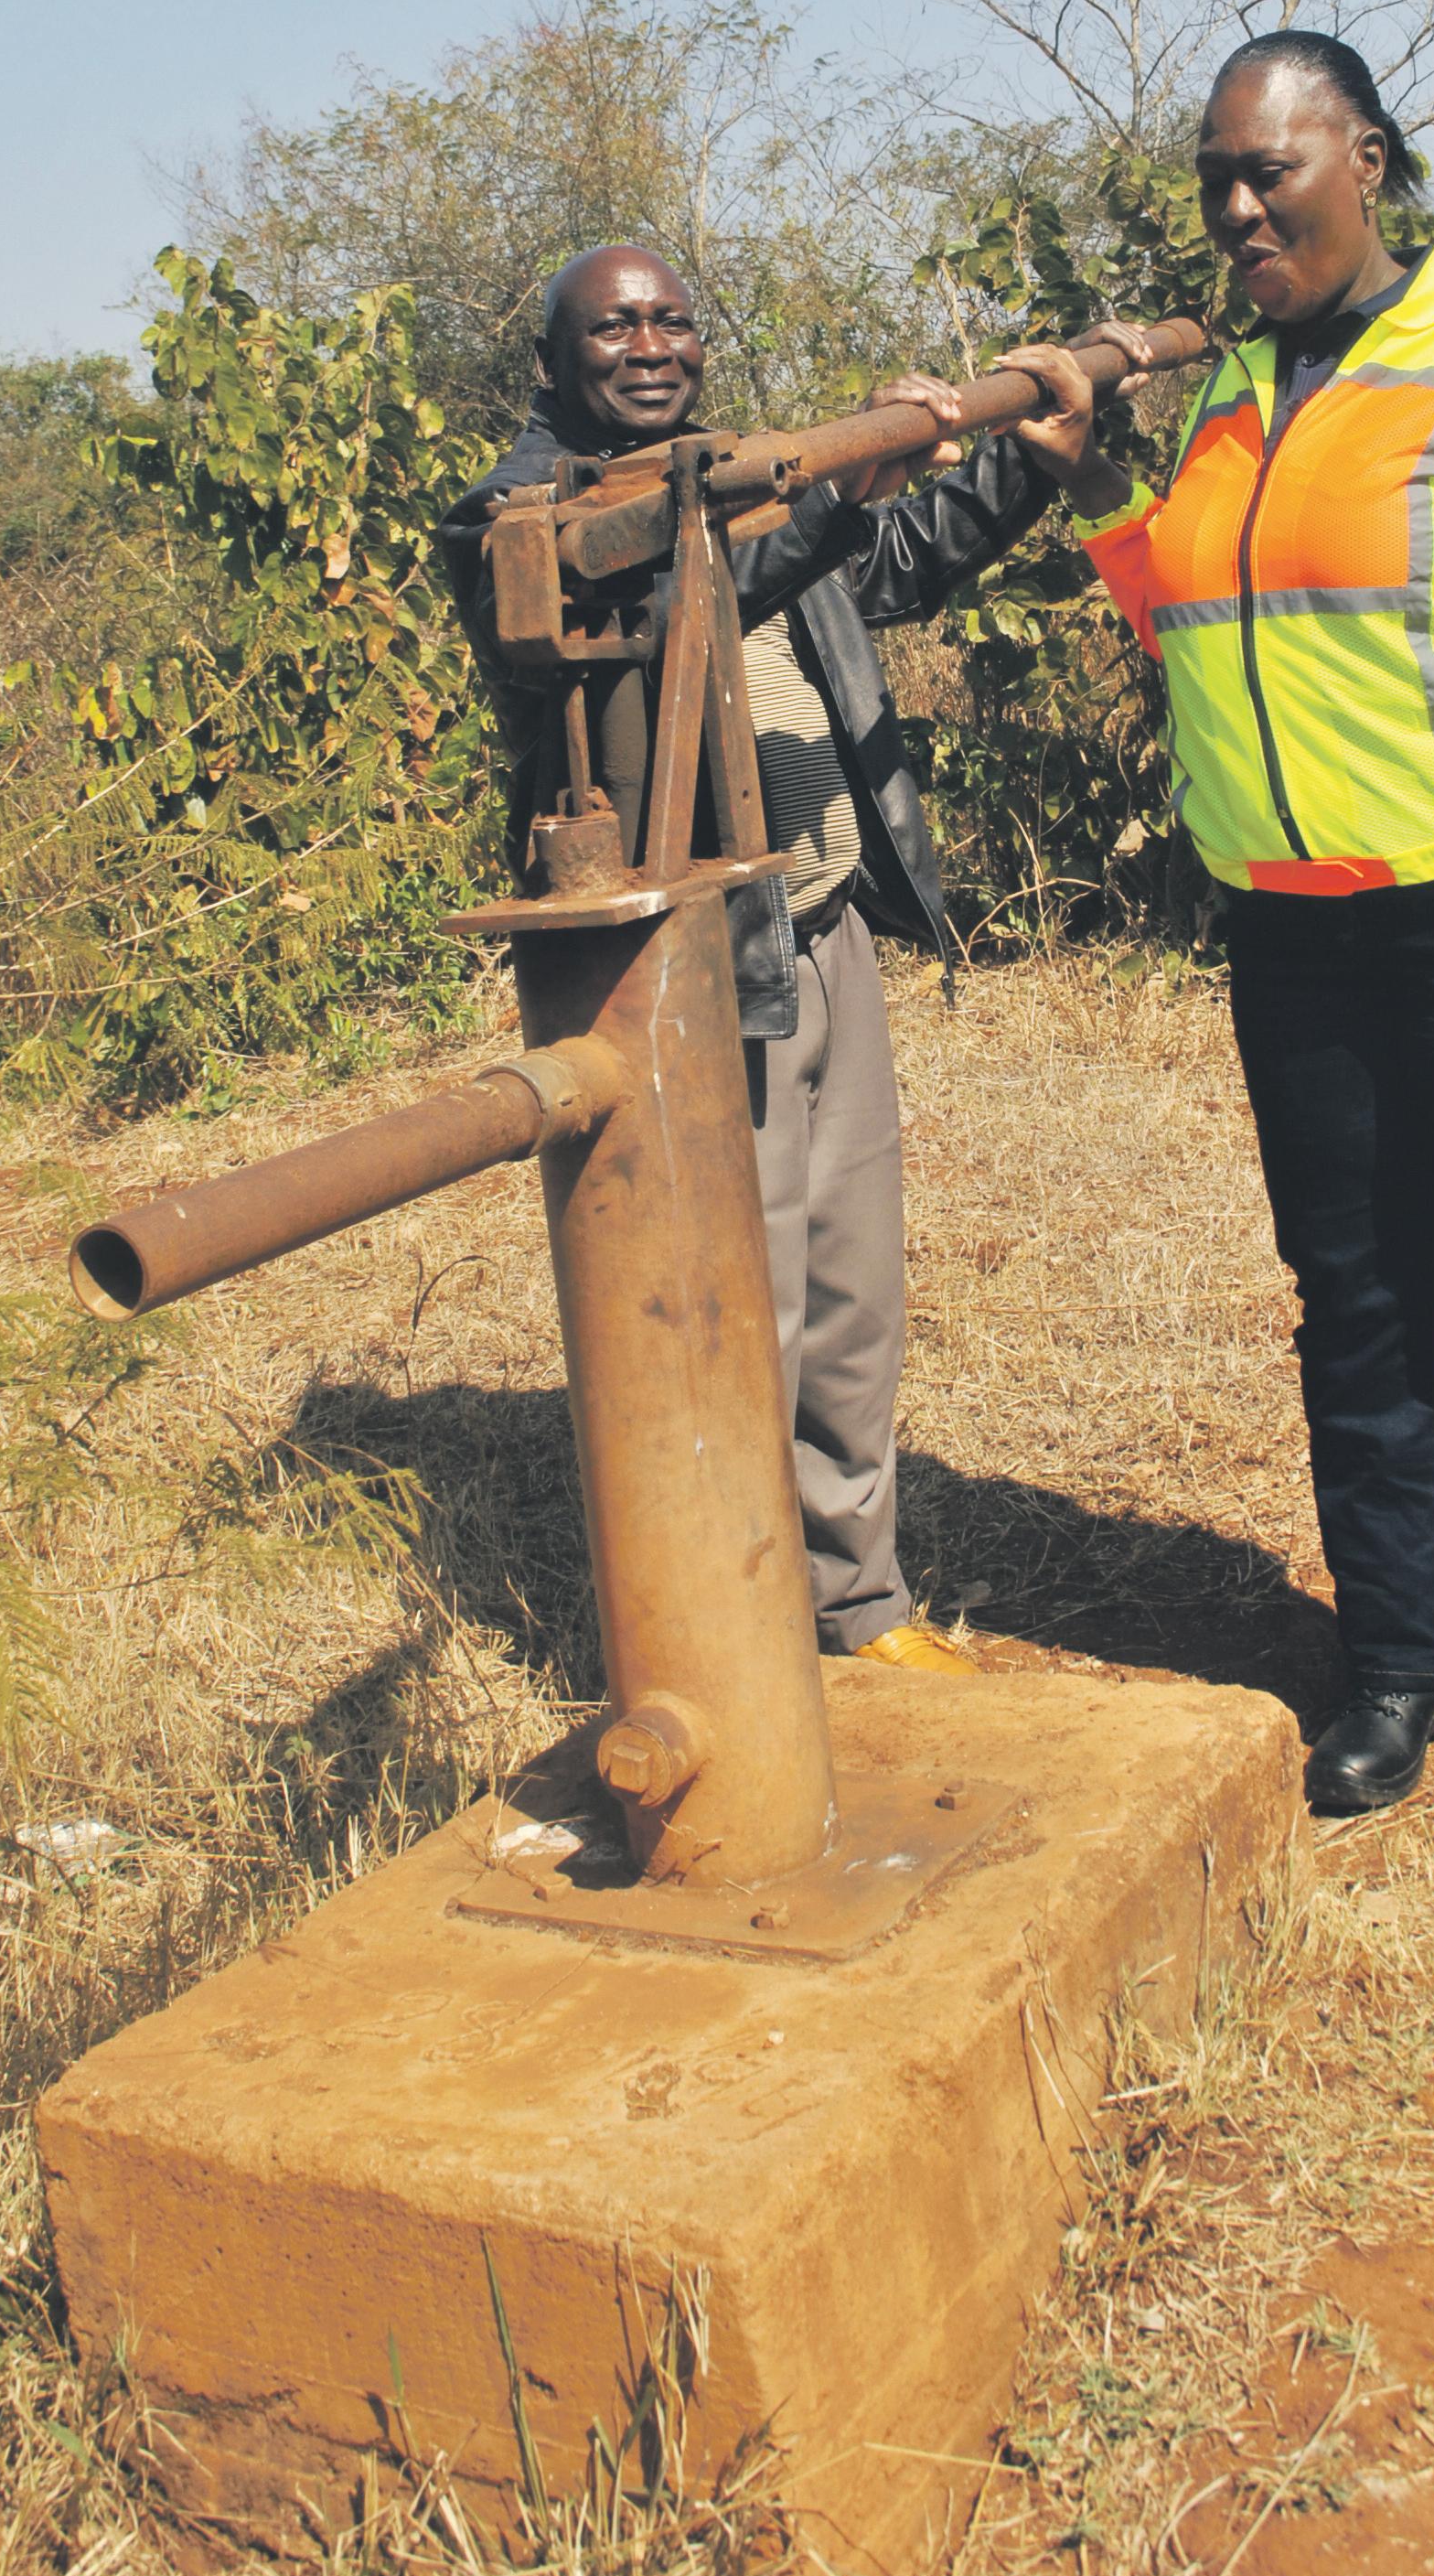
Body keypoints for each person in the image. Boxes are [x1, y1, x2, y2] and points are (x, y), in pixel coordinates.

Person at [1005, 33, 1434, 1813]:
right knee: (1358, 1310)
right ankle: (1398, 1663)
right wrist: (1106, 486)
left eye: (1277, 169)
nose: (1242, 205)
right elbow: (1199, 612)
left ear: (1372, 162)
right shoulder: (1241, 388)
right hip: (1296, 947)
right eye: (1218, 180)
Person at [442, 245, 1053, 1671]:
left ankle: (856, 1601)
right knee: (744, 1291)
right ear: (552, 360)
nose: (648, 344)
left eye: (669, 319)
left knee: (849, 1287)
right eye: (613, 325)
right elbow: (675, 593)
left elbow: (882, 561)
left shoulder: (743, 473)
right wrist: (836, 489)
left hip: (820, 924)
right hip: (700, 959)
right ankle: (745, 1629)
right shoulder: (517, 515)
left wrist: (1018, 452)